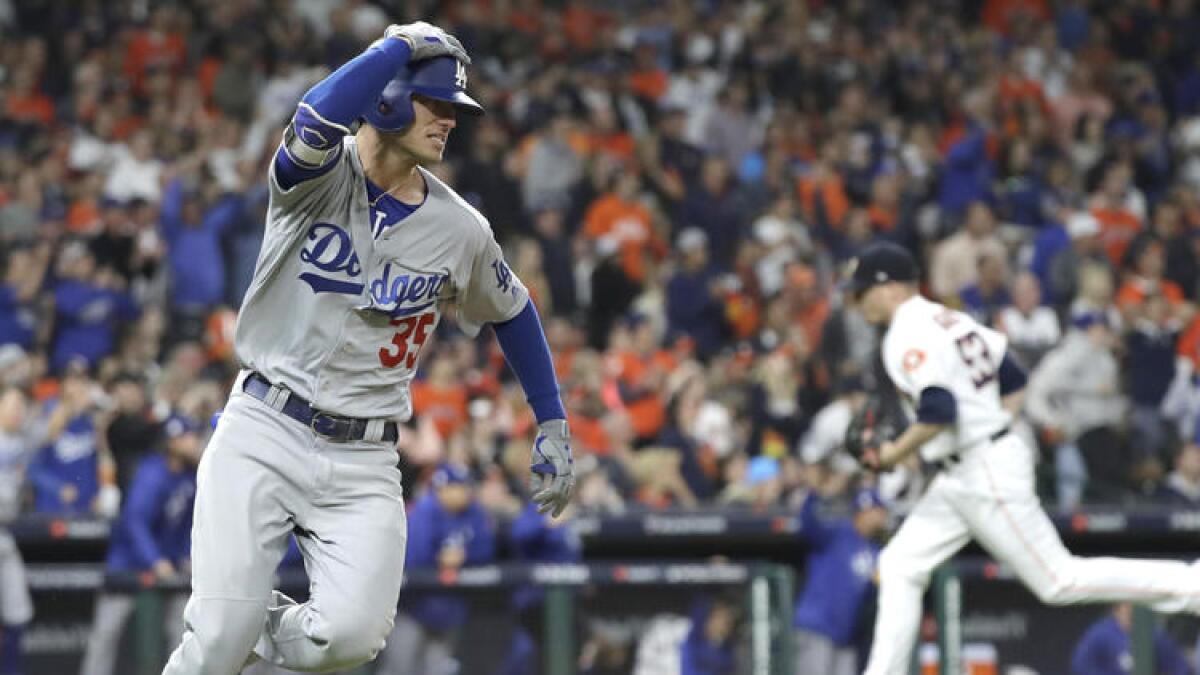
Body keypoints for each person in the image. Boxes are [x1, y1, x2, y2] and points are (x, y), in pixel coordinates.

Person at [162, 21, 574, 675]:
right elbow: (316, 119)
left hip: (364, 457)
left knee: (349, 638)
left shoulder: (461, 229)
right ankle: (228, 622)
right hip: (265, 425)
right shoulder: (316, 177)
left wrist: (550, 416)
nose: (449, 121)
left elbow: (515, 309)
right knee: (214, 646)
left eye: (453, 110)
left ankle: (240, 619)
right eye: (434, 104)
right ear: (384, 100)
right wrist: (393, 49)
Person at [844, 241, 1200, 675]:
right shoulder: (952, 318)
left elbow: (940, 409)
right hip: (969, 467)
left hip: (982, 470)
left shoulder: (904, 332)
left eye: (862, 291)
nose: (856, 299)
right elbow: (1012, 377)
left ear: (891, 289)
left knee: (1059, 580)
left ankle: (1190, 584)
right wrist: (989, 427)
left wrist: (891, 454)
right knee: (900, 563)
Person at [80, 414, 201, 675]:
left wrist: (184, 557)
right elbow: (135, 522)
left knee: (183, 629)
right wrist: (154, 560)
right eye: (188, 437)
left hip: (168, 563)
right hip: (128, 563)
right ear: (173, 442)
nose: (195, 442)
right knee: (106, 633)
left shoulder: (191, 476)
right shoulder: (153, 472)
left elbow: (187, 526)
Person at [378, 463, 496, 675]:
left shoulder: (473, 512)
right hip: (410, 608)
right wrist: (440, 559)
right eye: (459, 487)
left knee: (438, 669)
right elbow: (414, 559)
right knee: (401, 669)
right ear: (443, 488)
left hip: (448, 609)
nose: (466, 492)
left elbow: (486, 550)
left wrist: (464, 557)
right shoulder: (425, 510)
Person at [792, 488, 888, 675]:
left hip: (847, 635)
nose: (881, 517)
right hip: (817, 628)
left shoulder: (874, 548)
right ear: (865, 512)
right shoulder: (838, 533)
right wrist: (813, 492)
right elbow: (808, 525)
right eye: (877, 511)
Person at [0, 387, 38, 675]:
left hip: (5, 534)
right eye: (11, 404)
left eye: (20, 406)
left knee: (17, 613)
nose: (16, 411)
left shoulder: (20, 443)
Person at [1070, 603, 1191, 675]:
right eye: (1126, 607)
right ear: (1116, 610)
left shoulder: (1155, 634)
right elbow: (1080, 666)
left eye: (1135, 607)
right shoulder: (1100, 633)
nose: (1131, 611)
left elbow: (1180, 667)